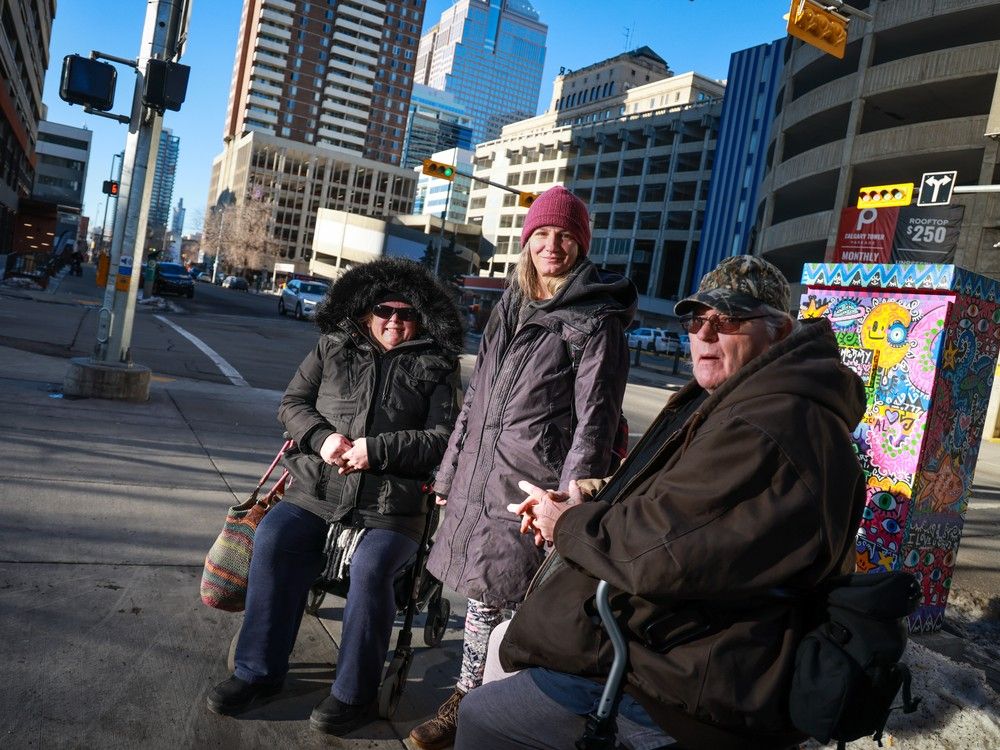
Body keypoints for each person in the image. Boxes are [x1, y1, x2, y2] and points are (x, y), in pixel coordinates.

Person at [454, 255, 868, 750]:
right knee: (507, 640)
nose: (705, 334)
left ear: (779, 332)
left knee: (482, 715)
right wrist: (592, 493)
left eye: (729, 319)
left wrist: (568, 523)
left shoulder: (767, 421)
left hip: (696, 669)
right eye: (696, 319)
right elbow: (687, 499)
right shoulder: (748, 400)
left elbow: (659, 547)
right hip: (687, 638)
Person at [408, 185, 637, 750]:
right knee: (483, 595)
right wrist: (448, 473)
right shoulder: (511, 303)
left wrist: (571, 498)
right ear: (527, 240)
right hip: (483, 471)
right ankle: (472, 698)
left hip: (533, 481)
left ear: (580, 245)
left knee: (509, 598)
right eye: (542, 234)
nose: (551, 245)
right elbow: (476, 398)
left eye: (565, 236)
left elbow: (597, 420)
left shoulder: (595, 318)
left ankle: (477, 706)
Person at [206, 258, 463, 736]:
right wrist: (322, 438)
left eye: (407, 313)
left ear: (423, 317)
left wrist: (376, 450)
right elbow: (292, 405)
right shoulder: (332, 347)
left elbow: (445, 436)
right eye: (385, 309)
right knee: (276, 540)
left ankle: (354, 693)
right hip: (316, 492)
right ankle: (256, 672)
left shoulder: (438, 364)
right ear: (366, 310)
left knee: (371, 569)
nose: (394, 321)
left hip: (393, 508)